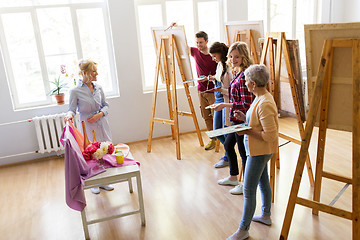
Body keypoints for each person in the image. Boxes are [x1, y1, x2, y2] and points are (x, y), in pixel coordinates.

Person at [226, 64, 279, 240]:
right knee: (263, 182)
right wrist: (244, 119)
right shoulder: (260, 97)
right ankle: (265, 215)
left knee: (249, 190)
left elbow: (270, 136)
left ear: (253, 83)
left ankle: (243, 229)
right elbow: (257, 122)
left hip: (260, 152)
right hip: (257, 150)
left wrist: (247, 131)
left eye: (247, 81)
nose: (245, 83)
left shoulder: (265, 103)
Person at [64, 59, 114, 195]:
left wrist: (100, 114)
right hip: (87, 125)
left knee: (104, 151)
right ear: (84, 73)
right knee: (91, 153)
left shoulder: (99, 87)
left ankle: (105, 180)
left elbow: (106, 105)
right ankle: (94, 182)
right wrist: (69, 116)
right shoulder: (75, 91)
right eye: (93, 71)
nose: (96, 74)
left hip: (101, 122)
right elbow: (71, 109)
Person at [212, 42, 254, 195]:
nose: (233, 59)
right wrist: (225, 104)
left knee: (243, 153)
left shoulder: (245, 76)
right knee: (229, 145)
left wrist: (224, 105)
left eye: (237, 56)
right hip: (236, 118)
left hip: (242, 119)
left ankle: (245, 183)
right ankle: (233, 177)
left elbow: (246, 103)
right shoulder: (237, 72)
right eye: (231, 56)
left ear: (244, 56)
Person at [190, 31, 218, 150]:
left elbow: (220, 71)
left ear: (207, 41)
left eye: (201, 42)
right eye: (197, 42)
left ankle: (220, 138)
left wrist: (210, 78)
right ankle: (212, 139)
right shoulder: (195, 51)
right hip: (200, 90)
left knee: (215, 116)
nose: (198, 45)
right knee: (205, 116)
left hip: (213, 90)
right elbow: (179, 44)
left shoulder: (213, 55)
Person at [208, 42, 233, 168]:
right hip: (218, 99)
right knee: (216, 131)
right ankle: (229, 153)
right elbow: (219, 79)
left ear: (221, 54)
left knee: (225, 131)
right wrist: (212, 78)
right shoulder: (219, 65)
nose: (213, 58)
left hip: (226, 100)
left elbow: (233, 92)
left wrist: (221, 90)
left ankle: (228, 156)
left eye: (214, 56)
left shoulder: (229, 68)